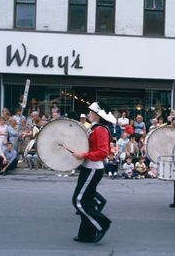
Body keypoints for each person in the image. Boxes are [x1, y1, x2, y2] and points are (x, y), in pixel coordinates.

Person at [71, 102, 114, 243]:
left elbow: (103, 152)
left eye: (90, 112)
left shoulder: (100, 129)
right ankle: (86, 235)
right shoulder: (94, 128)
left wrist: (84, 155)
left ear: (97, 114)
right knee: (86, 201)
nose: (89, 114)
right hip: (89, 168)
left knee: (78, 201)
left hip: (93, 168)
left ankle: (102, 223)